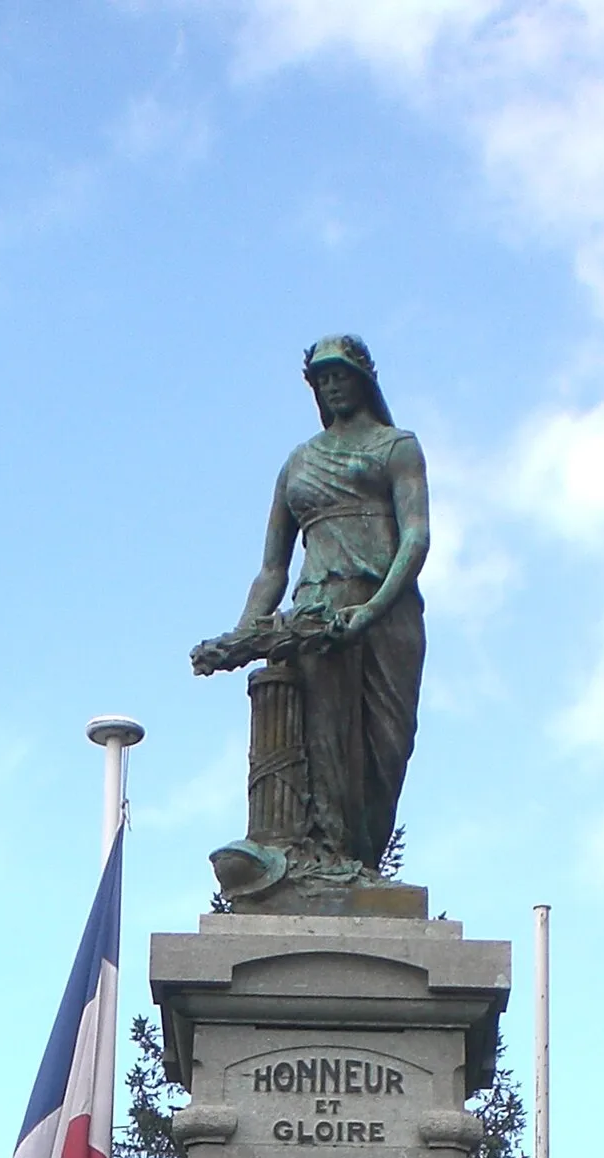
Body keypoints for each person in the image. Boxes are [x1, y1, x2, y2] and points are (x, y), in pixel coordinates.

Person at [191, 335, 428, 876]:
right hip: (317, 617)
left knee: (386, 752)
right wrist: (244, 635)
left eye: (339, 372)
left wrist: (370, 611)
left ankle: (361, 862)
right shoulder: (299, 462)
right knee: (324, 741)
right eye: (321, 376)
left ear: (363, 378)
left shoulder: (397, 447)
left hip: (386, 615)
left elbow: (415, 537)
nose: (331, 383)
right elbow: (272, 567)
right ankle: (325, 856)